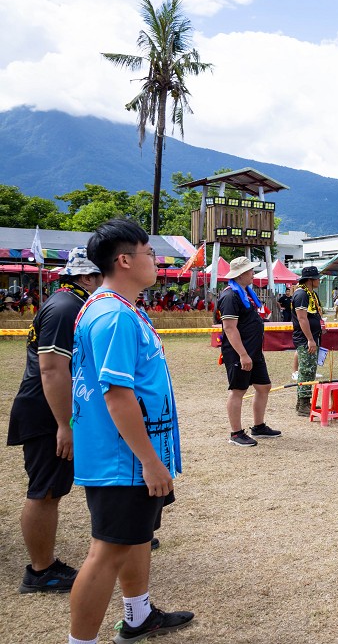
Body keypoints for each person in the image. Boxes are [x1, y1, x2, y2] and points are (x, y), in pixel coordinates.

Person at [68, 219, 193, 644]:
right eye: (150, 254)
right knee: (107, 553)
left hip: (130, 456)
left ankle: (138, 616)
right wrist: (150, 461)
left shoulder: (119, 308)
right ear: (124, 260)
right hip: (124, 459)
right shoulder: (113, 315)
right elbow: (117, 397)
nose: (156, 261)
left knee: (137, 537)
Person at [7, 247, 101, 594]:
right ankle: (40, 570)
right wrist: (65, 424)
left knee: (54, 487)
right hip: (47, 412)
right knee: (45, 491)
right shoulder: (66, 308)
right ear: (87, 277)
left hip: (56, 410)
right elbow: (51, 368)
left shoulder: (72, 303)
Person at [217, 257, 281, 448]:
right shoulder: (230, 296)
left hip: (254, 351)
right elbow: (229, 328)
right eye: (250, 270)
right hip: (239, 352)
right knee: (238, 390)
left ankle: (258, 426)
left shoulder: (246, 292)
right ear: (241, 274)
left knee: (263, 386)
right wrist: (243, 355)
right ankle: (236, 433)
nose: (253, 273)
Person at [291, 266, 324, 414]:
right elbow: (302, 318)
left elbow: (312, 315)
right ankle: (303, 404)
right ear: (310, 280)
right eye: (317, 278)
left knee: (311, 370)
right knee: (306, 371)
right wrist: (310, 339)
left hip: (313, 337)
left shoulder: (311, 294)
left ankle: (304, 403)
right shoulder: (301, 294)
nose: (319, 280)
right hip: (305, 339)